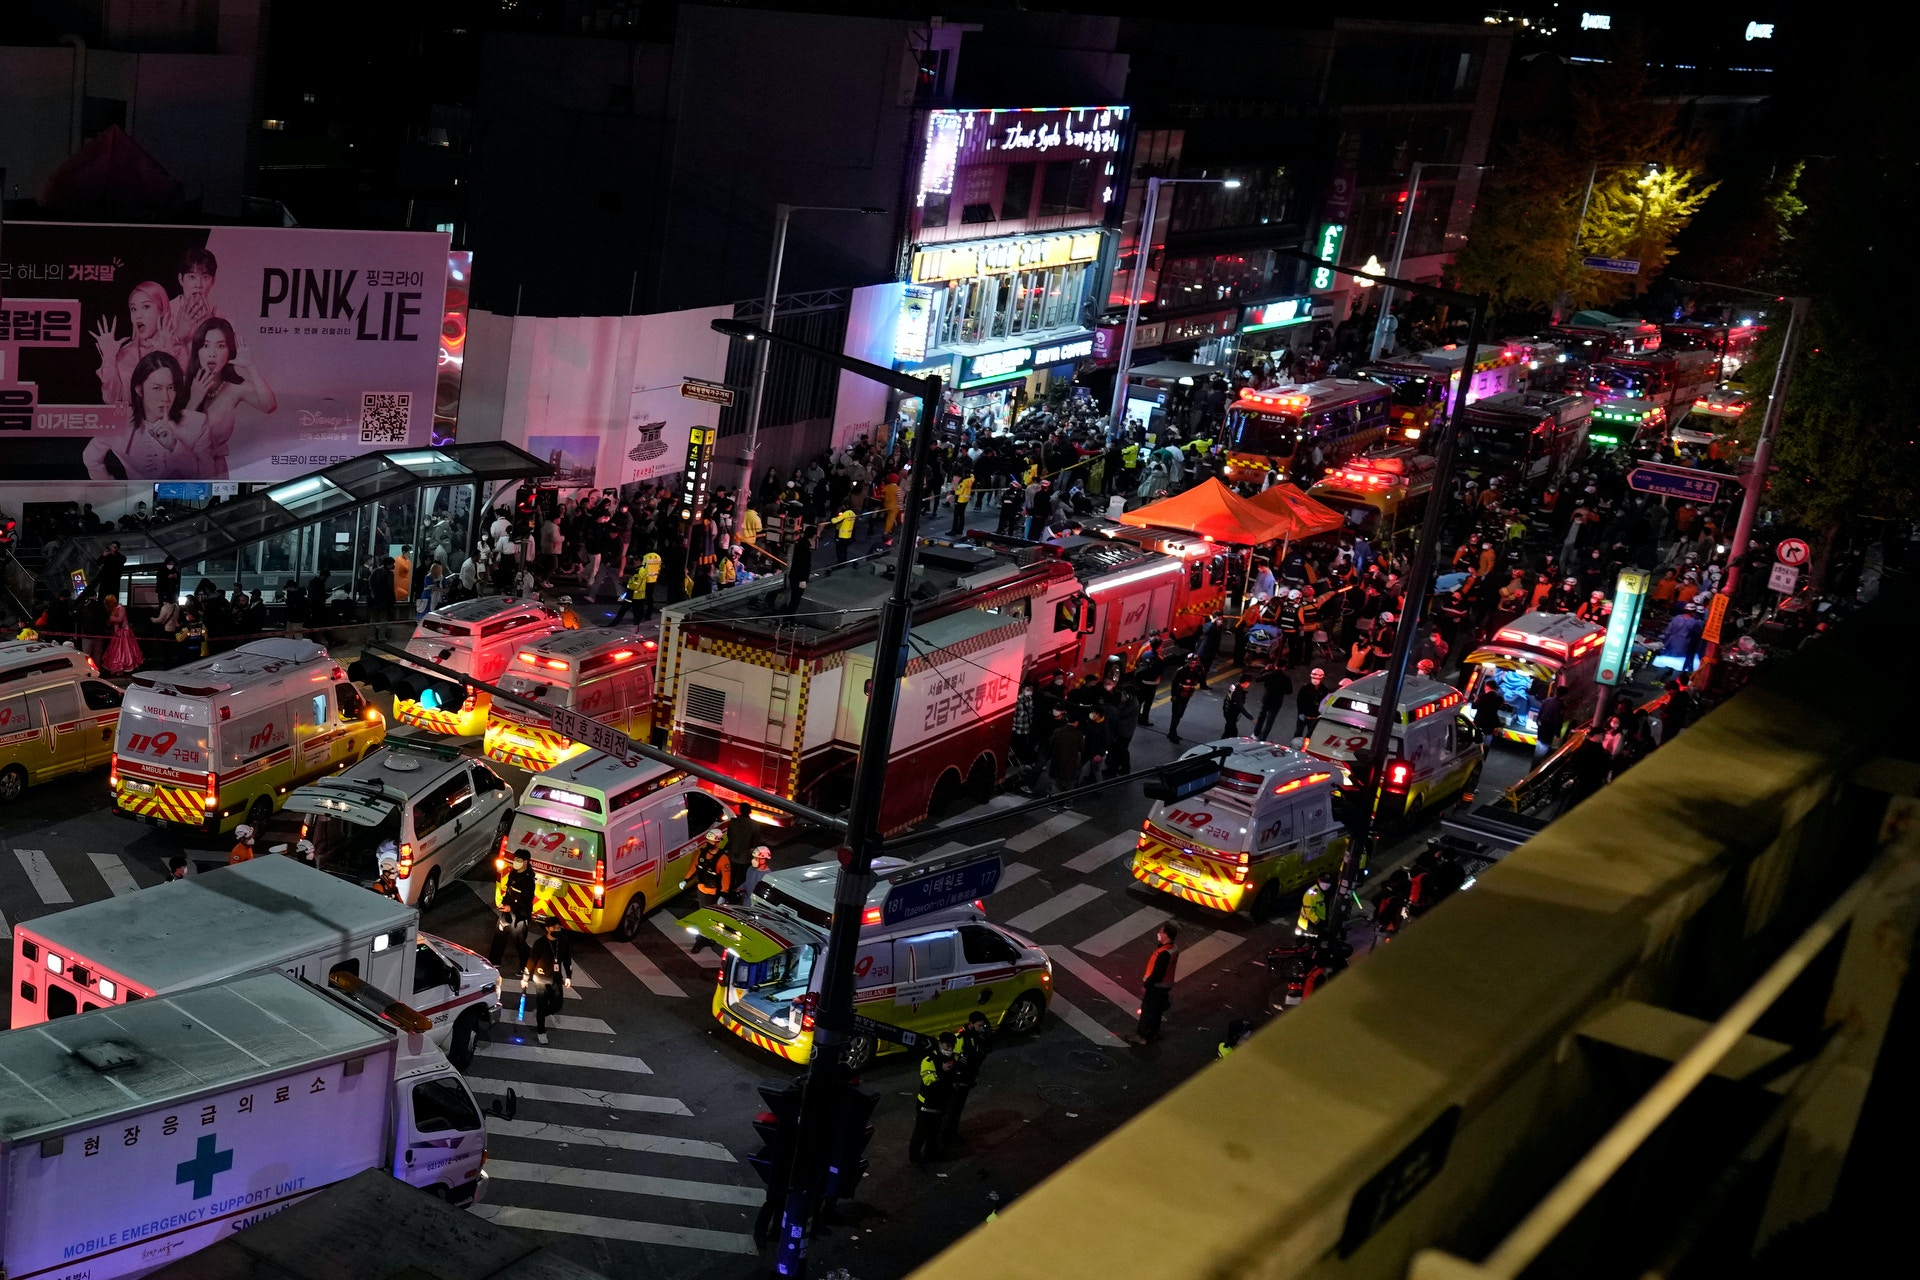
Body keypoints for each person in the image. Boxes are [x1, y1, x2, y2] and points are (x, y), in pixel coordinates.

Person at [944, 1010, 993, 1146]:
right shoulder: (960, 1039)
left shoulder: (977, 1038)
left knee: (957, 1110)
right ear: (971, 1024)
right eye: (979, 1025)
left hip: (967, 1079)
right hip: (957, 1081)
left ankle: (951, 1134)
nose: (982, 1028)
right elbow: (949, 1058)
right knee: (951, 1110)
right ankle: (945, 1137)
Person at [911, 1033, 958, 1164]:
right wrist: (942, 1071)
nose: (949, 1049)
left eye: (951, 1046)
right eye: (947, 1046)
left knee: (934, 1132)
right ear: (940, 1044)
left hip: (941, 1103)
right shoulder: (929, 1060)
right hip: (926, 1104)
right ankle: (914, 1157)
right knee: (921, 1133)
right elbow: (929, 1083)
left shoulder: (951, 1060)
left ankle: (931, 1154)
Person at [526, 917, 573, 1045]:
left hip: (556, 978)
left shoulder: (563, 941)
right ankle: (541, 1031)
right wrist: (525, 978)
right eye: (554, 928)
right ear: (547, 928)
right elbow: (531, 961)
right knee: (541, 1004)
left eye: (559, 928)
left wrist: (569, 975)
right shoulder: (540, 943)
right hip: (541, 979)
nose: (557, 930)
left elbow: (567, 959)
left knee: (557, 1004)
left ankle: (541, 1013)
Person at [1131, 923, 1179, 1044]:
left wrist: (1146, 986)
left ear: (1166, 935)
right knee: (1157, 1012)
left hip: (1155, 988)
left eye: (1161, 932)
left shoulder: (1163, 953)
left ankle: (1142, 1036)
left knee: (1147, 1012)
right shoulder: (1173, 948)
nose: (1159, 934)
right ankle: (1152, 1034)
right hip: (1164, 987)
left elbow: (1157, 974)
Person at [491, 851, 536, 977]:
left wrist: (511, 907)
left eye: (518, 860)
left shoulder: (528, 880)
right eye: (515, 859)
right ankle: (494, 962)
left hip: (520, 915)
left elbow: (526, 902)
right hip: (507, 912)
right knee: (499, 936)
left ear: (526, 862)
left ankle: (525, 966)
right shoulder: (513, 874)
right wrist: (504, 903)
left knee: (519, 941)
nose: (515, 862)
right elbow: (509, 892)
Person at [688, 840, 734, 954]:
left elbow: (726, 878)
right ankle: (703, 938)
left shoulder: (723, 858)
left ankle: (705, 938)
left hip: (713, 892)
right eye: (708, 840)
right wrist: (686, 879)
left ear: (718, 842)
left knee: (710, 917)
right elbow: (695, 866)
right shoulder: (702, 853)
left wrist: (723, 894)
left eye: (712, 841)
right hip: (702, 889)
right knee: (704, 916)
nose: (709, 843)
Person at [1166, 658, 1203, 745]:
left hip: (1187, 695)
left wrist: (1201, 671)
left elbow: (1198, 680)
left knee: (1180, 714)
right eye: (1191, 662)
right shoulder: (1181, 671)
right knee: (1176, 714)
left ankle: (1173, 731)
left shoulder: (1196, 671)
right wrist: (1174, 695)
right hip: (1179, 695)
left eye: (1194, 662)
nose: (1192, 664)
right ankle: (1172, 732)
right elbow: (1174, 683)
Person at [104, 594, 142, 674]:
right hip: (117, 632)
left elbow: (120, 619)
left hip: (124, 632)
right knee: (116, 651)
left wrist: (109, 618)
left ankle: (123, 667)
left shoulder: (121, 608)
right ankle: (116, 667)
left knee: (124, 650)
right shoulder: (113, 609)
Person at [1254, 662, 1292, 741]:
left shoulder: (1269, 674)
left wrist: (1264, 670)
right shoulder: (1286, 678)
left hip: (1267, 699)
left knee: (1261, 717)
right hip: (1277, 702)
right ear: (1284, 667)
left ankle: (1256, 733)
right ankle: (1263, 738)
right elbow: (1289, 691)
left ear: (1275, 666)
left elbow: (1257, 679)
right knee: (1270, 721)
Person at [1295, 667, 1333, 741]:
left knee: (1310, 736)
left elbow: (1327, 703)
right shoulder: (1305, 688)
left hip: (1315, 717)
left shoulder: (1325, 690)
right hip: (1304, 715)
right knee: (1298, 733)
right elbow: (1299, 701)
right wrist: (1300, 712)